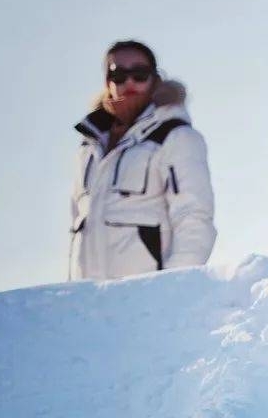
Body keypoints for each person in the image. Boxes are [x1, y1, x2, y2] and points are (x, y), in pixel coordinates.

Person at [70, 40, 216, 280]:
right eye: (118, 75)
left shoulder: (175, 137)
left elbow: (194, 217)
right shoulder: (89, 148)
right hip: (88, 301)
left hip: (145, 300)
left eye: (139, 74)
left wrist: (173, 286)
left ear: (154, 79)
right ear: (108, 82)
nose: (129, 82)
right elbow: (76, 223)